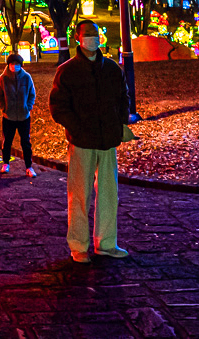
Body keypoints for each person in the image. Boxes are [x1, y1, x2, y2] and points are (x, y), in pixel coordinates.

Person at [49, 21, 129, 262]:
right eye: (88, 35)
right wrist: (76, 127)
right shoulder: (67, 71)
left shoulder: (112, 69)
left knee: (108, 194)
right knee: (79, 195)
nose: (93, 39)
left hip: (107, 140)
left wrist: (119, 124)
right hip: (82, 141)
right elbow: (58, 106)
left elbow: (123, 98)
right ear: (78, 38)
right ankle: (79, 245)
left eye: (96, 34)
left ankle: (106, 243)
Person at [0, 52, 37, 177]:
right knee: (7, 141)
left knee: (26, 143)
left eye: (17, 64)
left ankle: (29, 166)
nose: (14, 66)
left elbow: (31, 94)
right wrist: (4, 108)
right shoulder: (3, 78)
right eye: (12, 64)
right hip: (9, 117)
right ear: (8, 65)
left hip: (24, 116)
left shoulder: (26, 77)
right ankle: (6, 163)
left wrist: (28, 107)